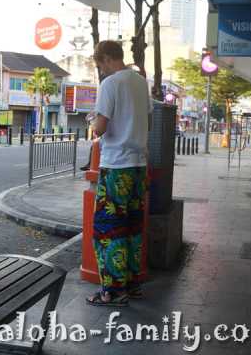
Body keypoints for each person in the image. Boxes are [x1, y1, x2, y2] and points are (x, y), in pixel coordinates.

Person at [86, 40, 153, 307]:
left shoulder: (110, 84)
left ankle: (112, 292)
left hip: (116, 166)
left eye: (100, 64)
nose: (101, 69)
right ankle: (132, 285)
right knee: (133, 228)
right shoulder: (140, 82)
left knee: (108, 229)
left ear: (105, 58)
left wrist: (92, 121)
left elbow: (100, 127)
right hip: (139, 167)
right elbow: (146, 119)